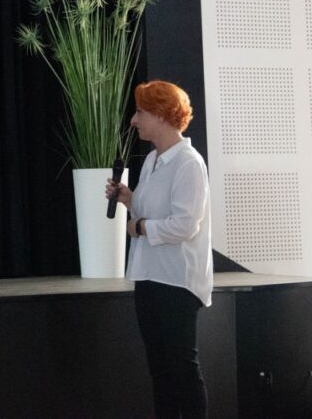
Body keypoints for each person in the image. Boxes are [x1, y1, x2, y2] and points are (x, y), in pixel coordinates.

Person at [105, 80, 213, 419]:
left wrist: (139, 227)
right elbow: (153, 210)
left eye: (140, 112)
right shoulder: (153, 159)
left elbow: (184, 225)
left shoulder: (188, 163)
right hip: (149, 276)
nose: (134, 120)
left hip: (176, 281)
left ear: (162, 115)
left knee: (182, 369)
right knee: (160, 371)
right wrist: (129, 199)